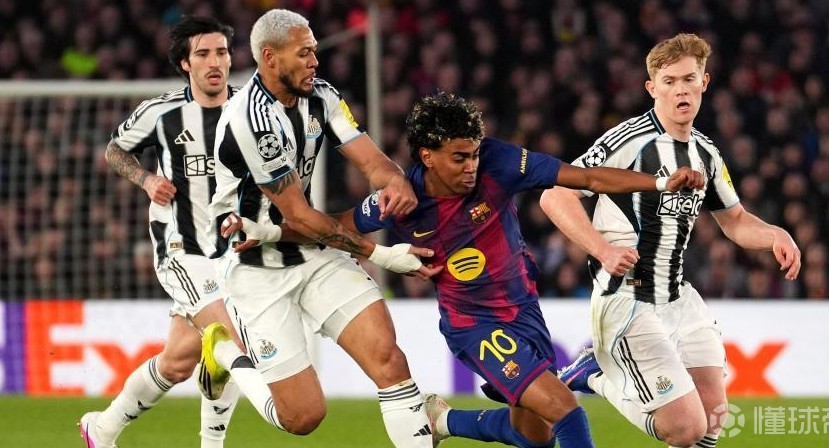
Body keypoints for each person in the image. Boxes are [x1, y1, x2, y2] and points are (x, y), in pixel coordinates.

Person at [225, 92, 704, 448]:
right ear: (427, 156)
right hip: (474, 325)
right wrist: (268, 232)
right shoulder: (404, 198)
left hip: (524, 311)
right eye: (459, 157)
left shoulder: (501, 161)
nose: (471, 165)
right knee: (566, 411)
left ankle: (444, 421)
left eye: (474, 153)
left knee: (533, 434)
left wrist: (661, 182)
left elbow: (588, 177)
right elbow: (338, 226)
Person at [539, 33, 801, 448]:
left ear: (704, 82)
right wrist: (602, 250)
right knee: (685, 428)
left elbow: (734, 221)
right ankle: (593, 375)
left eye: (689, 79)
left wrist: (776, 234)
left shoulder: (706, 153)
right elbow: (555, 194)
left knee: (713, 419)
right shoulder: (629, 141)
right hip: (627, 299)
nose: (681, 89)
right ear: (652, 88)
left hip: (678, 297)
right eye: (670, 81)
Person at [200, 8, 439, 448]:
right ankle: (226, 355)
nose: (315, 60)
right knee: (303, 416)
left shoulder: (322, 96)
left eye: (314, 51)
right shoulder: (251, 120)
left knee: (388, 359)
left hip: (312, 251)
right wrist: (383, 255)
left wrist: (394, 181)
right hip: (255, 266)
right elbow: (298, 215)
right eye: (304, 53)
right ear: (270, 58)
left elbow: (370, 160)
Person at [78, 16, 246, 448]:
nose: (215, 62)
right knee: (233, 336)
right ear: (185, 64)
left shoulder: (249, 109)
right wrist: (147, 180)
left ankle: (101, 429)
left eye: (221, 52)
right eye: (203, 54)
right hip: (181, 246)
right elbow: (114, 150)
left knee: (177, 364)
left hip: (232, 250)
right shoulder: (161, 112)